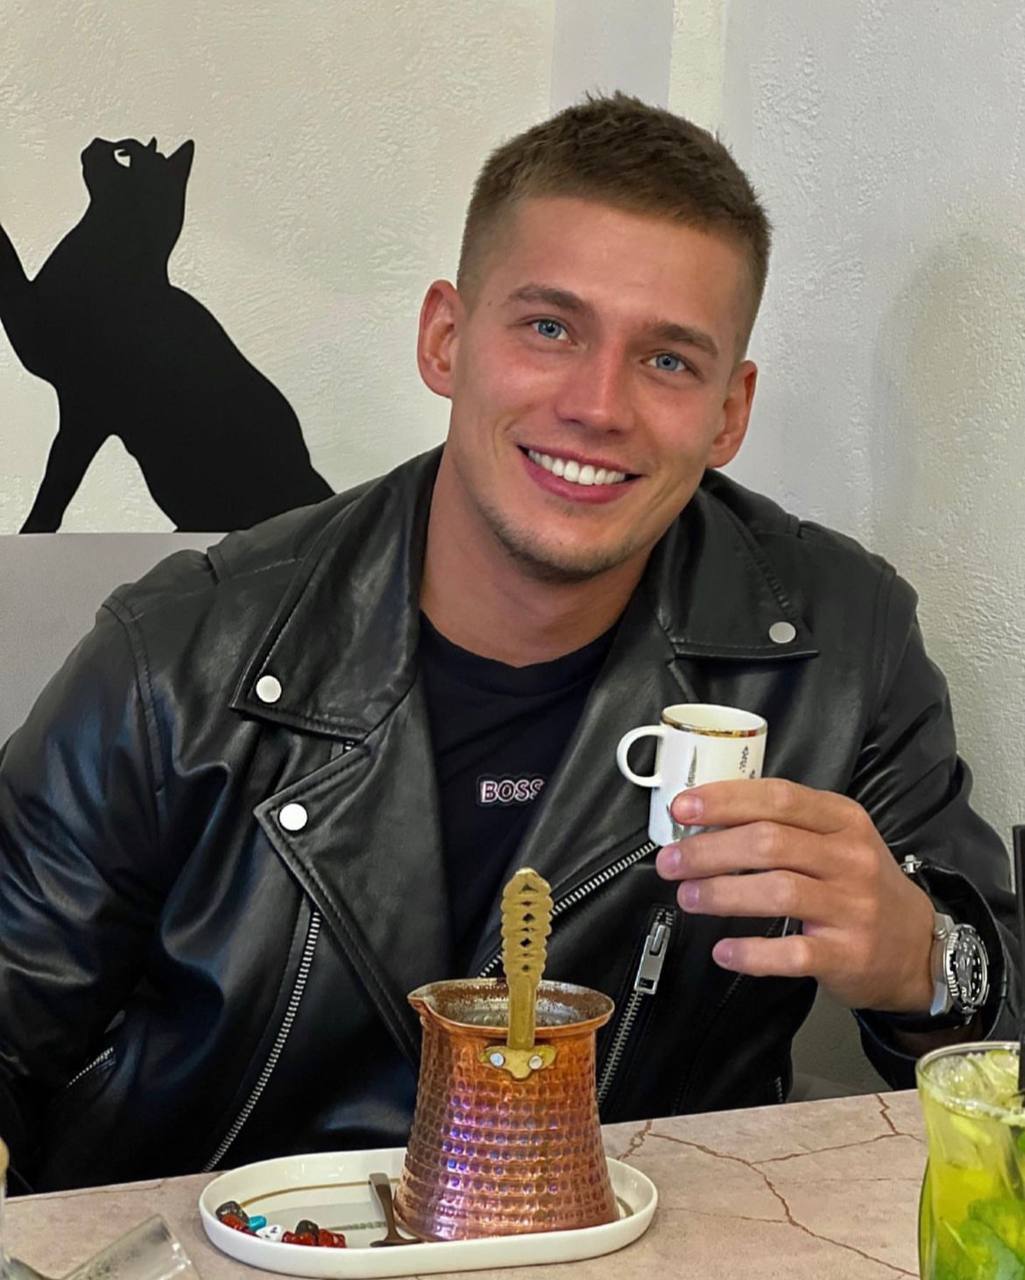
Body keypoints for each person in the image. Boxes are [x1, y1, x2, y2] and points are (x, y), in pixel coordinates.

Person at [0, 93, 1016, 1193]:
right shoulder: (174, 654)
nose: (597, 405)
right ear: (445, 338)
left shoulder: (840, 646)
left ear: (729, 411)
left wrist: (926, 961)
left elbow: (994, 1035)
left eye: (668, 361)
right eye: (549, 328)